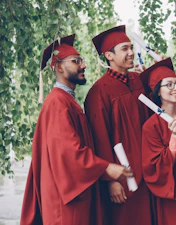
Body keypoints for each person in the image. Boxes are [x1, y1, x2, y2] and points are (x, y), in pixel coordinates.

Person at [20, 34, 132, 225]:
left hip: (73, 195)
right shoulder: (57, 103)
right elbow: (68, 152)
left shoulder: (67, 100)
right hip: (65, 201)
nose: (83, 65)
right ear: (59, 67)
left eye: (82, 60)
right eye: (76, 61)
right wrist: (106, 168)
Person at [85, 26, 153, 225]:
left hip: (148, 169)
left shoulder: (139, 80)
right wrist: (111, 180)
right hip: (124, 175)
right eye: (124, 49)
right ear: (109, 55)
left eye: (131, 47)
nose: (131, 52)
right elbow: (99, 139)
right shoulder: (99, 91)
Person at [140, 58, 176, 225]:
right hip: (172, 188)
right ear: (157, 91)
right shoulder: (151, 126)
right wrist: (174, 138)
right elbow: (152, 165)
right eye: (169, 85)